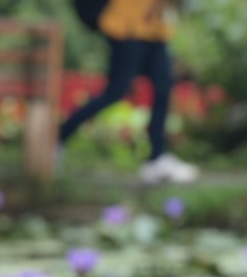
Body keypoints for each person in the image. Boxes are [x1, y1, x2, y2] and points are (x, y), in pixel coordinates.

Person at [58, 0, 198, 184]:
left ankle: (157, 158)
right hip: (127, 27)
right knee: (115, 92)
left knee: (163, 88)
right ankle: (58, 136)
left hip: (155, 28)